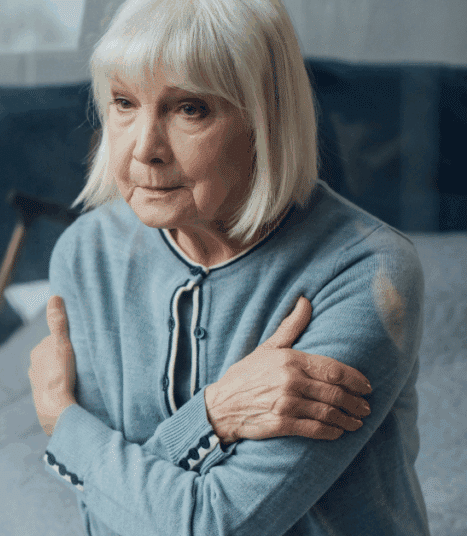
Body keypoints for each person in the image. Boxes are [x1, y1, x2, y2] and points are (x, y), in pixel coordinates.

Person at [26, 0, 428, 534]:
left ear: (266, 120)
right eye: (124, 102)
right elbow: (107, 519)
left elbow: (218, 524)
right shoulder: (87, 255)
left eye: (190, 109)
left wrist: (65, 425)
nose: (144, 148)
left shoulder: (367, 274)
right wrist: (216, 413)